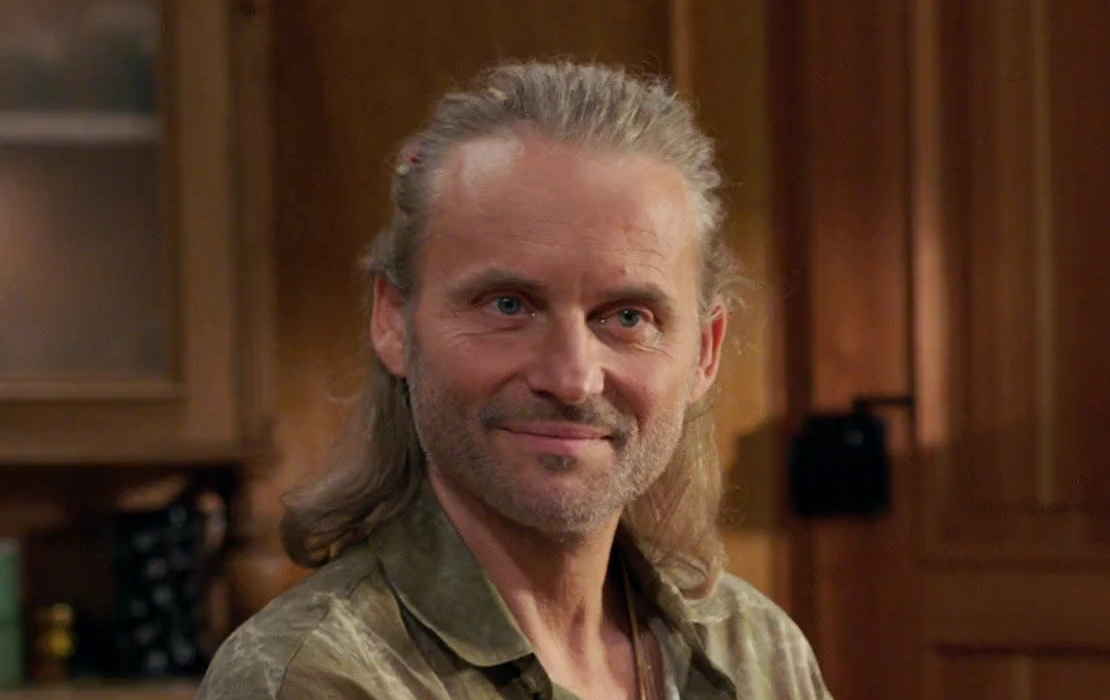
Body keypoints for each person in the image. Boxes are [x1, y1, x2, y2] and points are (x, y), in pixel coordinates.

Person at [198, 61, 832, 700]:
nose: (572, 379)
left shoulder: (758, 650)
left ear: (706, 352)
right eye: (509, 306)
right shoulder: (311, 677)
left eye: (628, 317)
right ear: (393, 322)